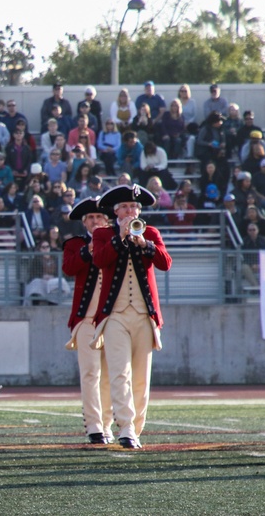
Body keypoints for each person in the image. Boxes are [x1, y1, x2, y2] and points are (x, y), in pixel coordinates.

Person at [91, 184, 172, 449]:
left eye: (135, 207)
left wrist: (144, 244)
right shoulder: (103, 234)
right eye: (126, 207)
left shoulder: (150, 233)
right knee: (119, 373)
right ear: (116, 212)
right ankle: (125, 428)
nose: (131, 210)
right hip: (114, 314)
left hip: (144, 315)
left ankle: (136, 428)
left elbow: (165, 263)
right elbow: (100, 260)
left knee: (141, 377)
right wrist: (120, 237)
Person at [62, 197, 115, 444]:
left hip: (113, 318)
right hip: (86, 319)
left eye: (99, 217)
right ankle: (94, 426)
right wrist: (88, 250)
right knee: (91, 372)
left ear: (107, 220)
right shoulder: (74, 244)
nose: (95, 221)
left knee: (111, 373)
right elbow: (69, 268)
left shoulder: (116, 243)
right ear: (84, 222)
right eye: (91, 218)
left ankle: (108, 423)